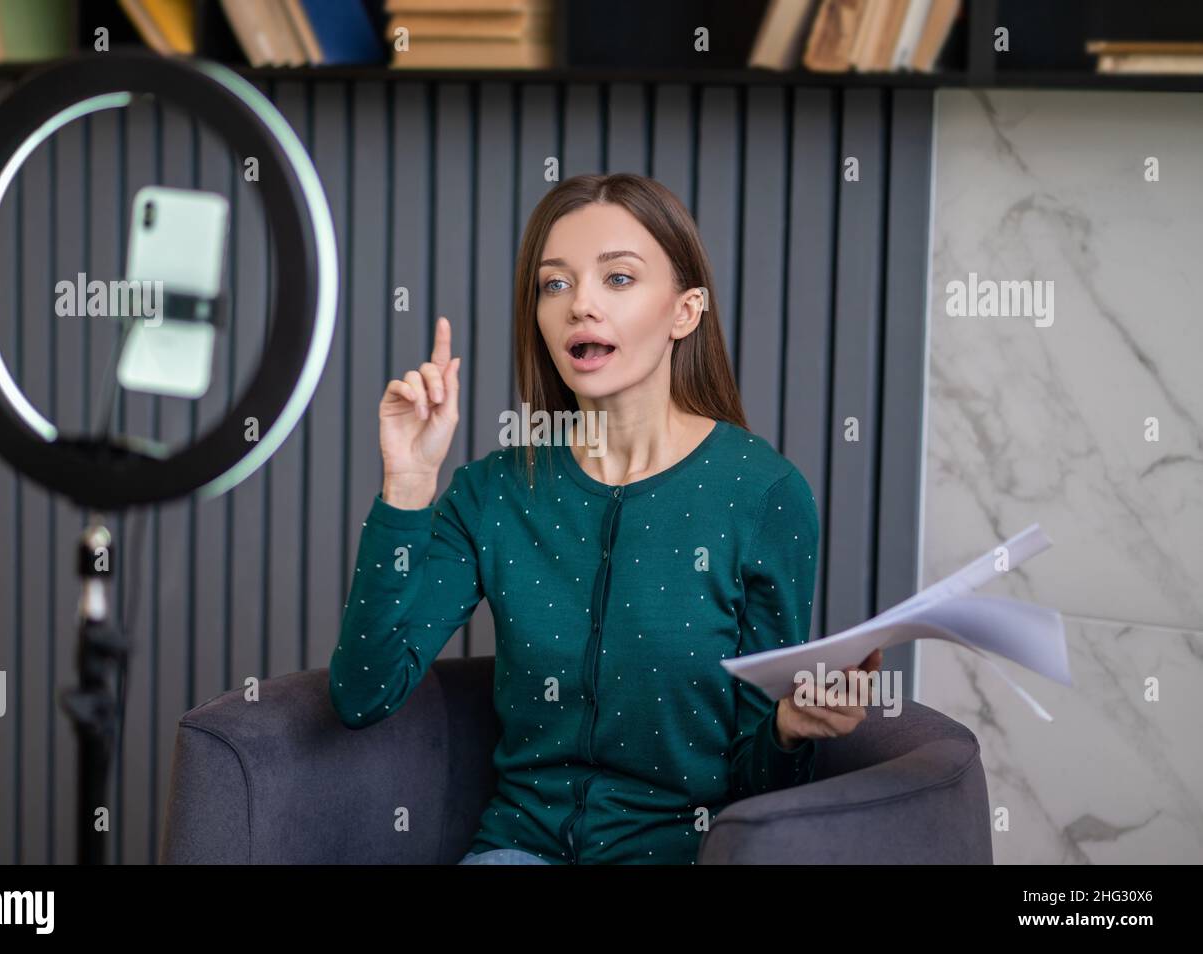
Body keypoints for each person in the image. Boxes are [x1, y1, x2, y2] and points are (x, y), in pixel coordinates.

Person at [330, 172, 880, 865]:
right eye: (554, 285)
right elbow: (362, 693)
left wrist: (788, 728)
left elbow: (756, 783)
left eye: (617, 279)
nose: (579, 305)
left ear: (685, 311)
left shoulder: (761, 494)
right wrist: (408, 482)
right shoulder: (495, 493)